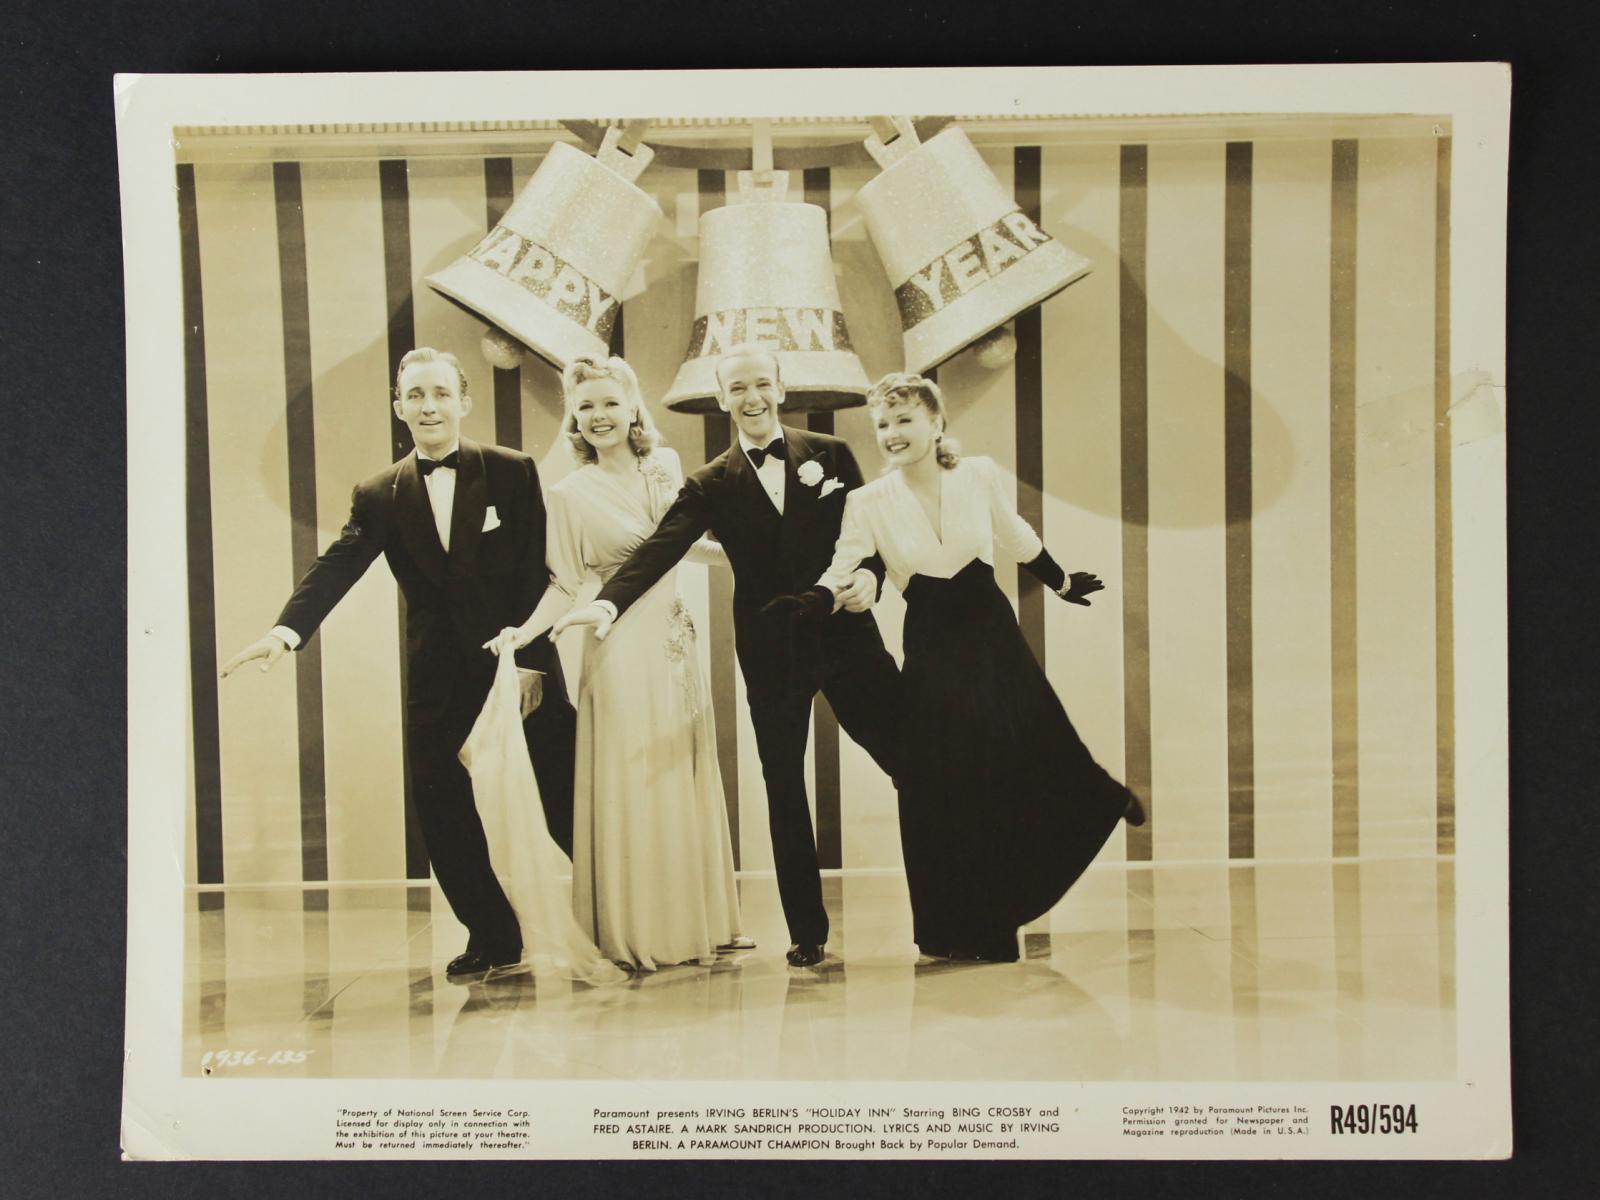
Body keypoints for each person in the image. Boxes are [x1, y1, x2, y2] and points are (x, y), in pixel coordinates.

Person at [220, 347, 578, 983]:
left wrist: (531, 663)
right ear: (398, 407)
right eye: (415, 395)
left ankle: (619, 916)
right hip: (437, 674)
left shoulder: (512, 471)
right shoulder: (378, 492)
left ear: (463, 401)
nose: (428, 406)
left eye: (440, 393)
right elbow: (338, 564)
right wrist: (285, 632)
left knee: (565, 792)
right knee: (440, 804)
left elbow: (534, 574)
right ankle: (493, 936)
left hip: (516, 661)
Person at [767, 372, 1146, 963]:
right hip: (932, 644)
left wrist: (1062, 581)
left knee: (1031, 743)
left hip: (991, 632)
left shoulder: (978, 474)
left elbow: (1014, 533)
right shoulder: (867, 502)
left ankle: (1100, 802)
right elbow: (845, 565)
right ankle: (956, 929)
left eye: (904, 420)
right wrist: (815, 600)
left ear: (936, 422)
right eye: (883, 424)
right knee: (943, 784)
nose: (892, 433)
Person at [552, 344, 902, 968]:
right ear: (721, 399)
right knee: (784, 788)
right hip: (771, 651)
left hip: (849, 638)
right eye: (737, 388)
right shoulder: (709, 482)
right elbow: (660, 546)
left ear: (780, 388)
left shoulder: (832, 453)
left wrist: (872, 578)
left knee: (913, 761)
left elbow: (869, 533)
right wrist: (606, 605)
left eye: (761, 384)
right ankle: (807, 934)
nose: (751, 397)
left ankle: (952, 909)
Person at [484, 354, 748, 971]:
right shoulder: (567, 495)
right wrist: (524, 632)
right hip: (617, 649)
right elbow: (564, 583)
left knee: (678, 771)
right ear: (574, 419)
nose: (599, 415)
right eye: (586, 407)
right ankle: (641, 930)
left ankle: (698, 924)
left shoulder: (666, 466)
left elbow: (680, 545)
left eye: (609, 403)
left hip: (674, 642)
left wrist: (758, 553)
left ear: (633, 408)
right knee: (635, 780)